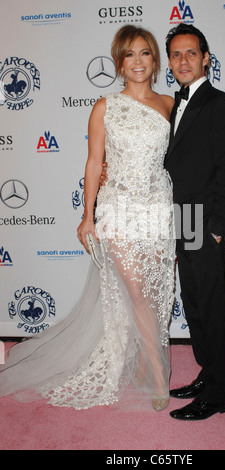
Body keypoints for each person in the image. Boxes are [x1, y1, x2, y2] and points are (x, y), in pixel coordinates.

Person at [0, 25, 176, 412]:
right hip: (118, 208)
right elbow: (95, 162)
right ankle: (158, 374)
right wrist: (87, 216)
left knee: (156, 290)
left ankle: (148, 361)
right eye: (129, 55)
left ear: (155, 60)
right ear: (118, 62)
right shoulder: (105, 106)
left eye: (145, 53)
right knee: (135, 289)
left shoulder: (169, 104)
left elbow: (179, 159)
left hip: (158, 209)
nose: (138, 62)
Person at [165, 24, 225, 420]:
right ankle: (207, 373)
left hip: (205, 219)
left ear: (206, 57)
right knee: (194, 303)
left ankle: (218, 394)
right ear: (170, 62)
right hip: (181, 218)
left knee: (211, 306)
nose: (183, 60)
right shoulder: (173, 104)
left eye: (191, 53)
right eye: (176, 55)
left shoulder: (221, 104)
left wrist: (219, 227)